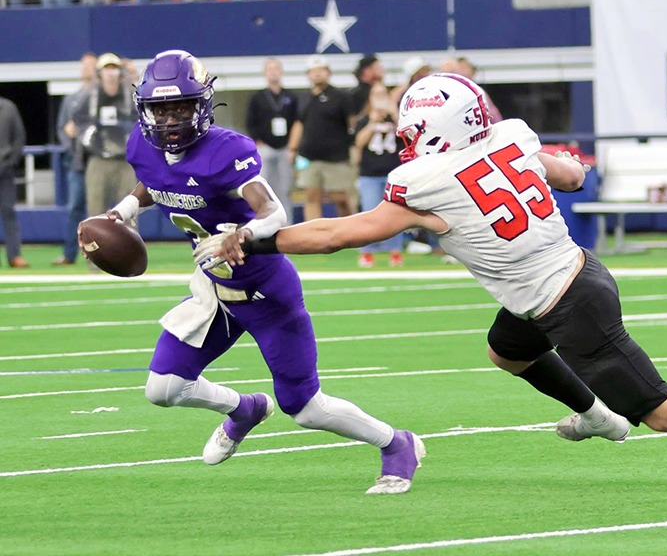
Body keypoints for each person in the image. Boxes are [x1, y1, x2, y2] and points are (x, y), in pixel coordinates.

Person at [197, 73, 667, 497]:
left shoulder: (427, 182)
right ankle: (594, 414)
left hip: (568, 304)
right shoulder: (509, 138)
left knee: (664, 413)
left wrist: (255, 239)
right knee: (506, 351)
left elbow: (339, 234)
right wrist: (552, 165)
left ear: (432, 130)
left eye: (413, 131)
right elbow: (573, 175)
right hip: (570, 274)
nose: (408, 141)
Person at [84, 49, 423, 495]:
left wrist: (242, 234)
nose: (169, 121)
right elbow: (156, 180)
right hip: (214, 293)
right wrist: (123, 211)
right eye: (160, 110)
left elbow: (274, 211)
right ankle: (243, 409)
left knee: (305, 409)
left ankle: (396, 443)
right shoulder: (142, 146)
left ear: (202, 105)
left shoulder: (226, 151)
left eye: (180, 108)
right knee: (163, 388)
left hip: (265, 293)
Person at [287, 55, 357, 221]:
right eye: (313, 71)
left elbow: (352, 123)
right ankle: (314, 232)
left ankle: (349, 229)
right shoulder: (304, 98)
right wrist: (292, 148)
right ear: (308, 74)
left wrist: (354, 147)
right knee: (311, 196)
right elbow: (299, 123)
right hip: (308, 157)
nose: (317, 74)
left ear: (328, 72)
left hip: (336, 157)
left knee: (340, 197)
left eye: (321, 70)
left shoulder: (341, 96)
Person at [73, 52, 138, 218]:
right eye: (106, 69)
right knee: (96, 212)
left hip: (124, 161)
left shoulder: (129, 96)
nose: (111, 73)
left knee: (128, 211)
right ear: (99, 73)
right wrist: (92, 140)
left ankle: (128, 237)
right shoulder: (90, 96)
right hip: (98, 160)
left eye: (114, 68)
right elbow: (78, 121)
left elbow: (139, 121)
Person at [53, 52, 98, 266]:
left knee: (102, 209)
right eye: (84, 65)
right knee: (75, 208)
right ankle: (69, 253)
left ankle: (105, 253)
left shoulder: (102, 97)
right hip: (78, 163)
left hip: (98, 161)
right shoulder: (71, 99)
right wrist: (71, 144)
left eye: (91, 65)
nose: (87, 69)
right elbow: (62, 129)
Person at [352, 82, 404, 268]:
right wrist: (372, 123)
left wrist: (394, 113)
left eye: (383, 94)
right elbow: (359, 142)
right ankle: (367, 252)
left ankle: (394, 250)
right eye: (376, 94)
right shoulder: (364, 120)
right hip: (370, 173)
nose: (380, 98)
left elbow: (406, 136)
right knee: (369, 212)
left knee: (395, 213)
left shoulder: (396, 119)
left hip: (393, 173)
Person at [245, 58, 300, 224]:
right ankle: (263, 224)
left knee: (284, 189)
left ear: (281, 72)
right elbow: (250, 122)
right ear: (265, 73)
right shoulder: (257, 98)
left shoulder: (290, 97)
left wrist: (292, 147)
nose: (273, 72)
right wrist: (258, 142)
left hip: (285, 148)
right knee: (262, 189)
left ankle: (287, 225)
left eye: (276, 69)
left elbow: (297, 122)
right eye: (270, 69)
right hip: (265, 148)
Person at [0, 95, 29, 269]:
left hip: (5, 169)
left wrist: (12, 162)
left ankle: (14, 255)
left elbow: (19, 136)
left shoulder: (8, 107)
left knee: (8, 212)